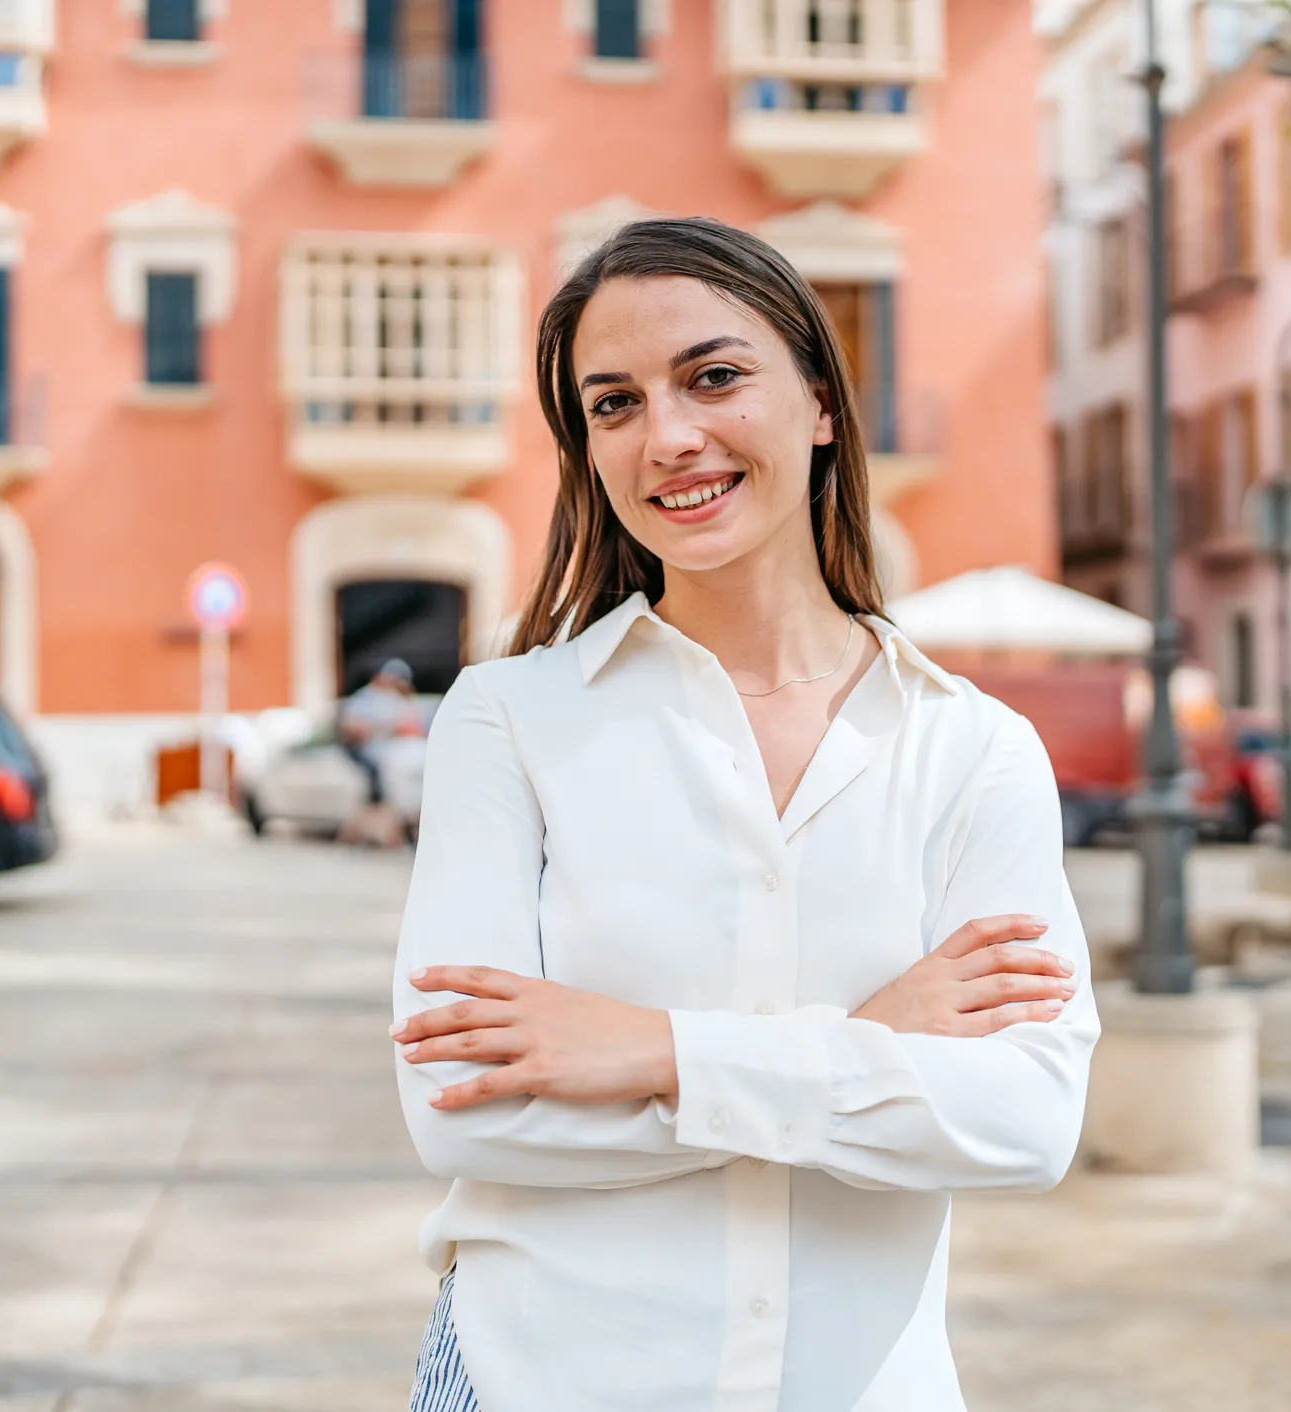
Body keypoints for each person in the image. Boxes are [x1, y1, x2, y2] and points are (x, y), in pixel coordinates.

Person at [388, 218, 1099, 1411]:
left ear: (820, 401)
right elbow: (464, 1113)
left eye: (713, 376)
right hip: (539, 1376)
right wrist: (865, 1041)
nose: (667, 436)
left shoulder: (973, 749)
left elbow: (1025, 1121)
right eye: (612, 404)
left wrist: (653, 1051)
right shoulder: (506, 720)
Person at [337, 658, 423, 810]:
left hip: (395, 757)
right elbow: (353, 730)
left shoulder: (396, 700)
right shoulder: (363, 699)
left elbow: (412, 726)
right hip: (368, 754)